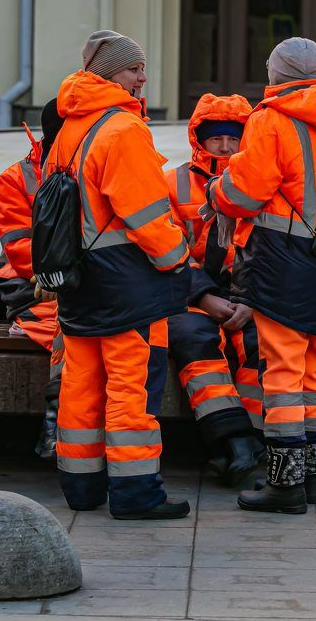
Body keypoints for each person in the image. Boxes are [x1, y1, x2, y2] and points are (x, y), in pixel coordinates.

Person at [206, 37, 316, 513]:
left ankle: (284, 485)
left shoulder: (271, 119)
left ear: (276, 73)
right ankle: (313, 479)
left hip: (283, 258)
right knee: (314, 369)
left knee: (281, 369)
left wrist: (218, 190)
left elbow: (247, 190)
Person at [46, 30, 192, 520]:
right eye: (134, 69)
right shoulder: (123, 131)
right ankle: (135, 493)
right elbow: (147, 214)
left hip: (77, 281)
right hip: (127, 281)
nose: (142, 77)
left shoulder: (70, 128)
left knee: (80, 383)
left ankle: (81, 487)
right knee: (130, 387)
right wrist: (178, 259)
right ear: (110, 73)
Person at [164, 93, 265, 486]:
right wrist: (204, 296)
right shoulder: (170, 183)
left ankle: (251, 443)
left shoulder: (263, 183)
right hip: (188, 295)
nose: (224, 147)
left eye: (233, 138)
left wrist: (250, 301)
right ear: (197, 140)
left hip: (246, 296)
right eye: (215, 138)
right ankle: (233, 440)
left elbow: (269, 250)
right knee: (195, 339)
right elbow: (165, 251)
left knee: (259, 345)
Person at [0, 99, 66, 458]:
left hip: (73, 283)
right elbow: (17, 244)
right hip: (33, 286)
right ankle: (54, 427)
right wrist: (52, 278)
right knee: (69, 328)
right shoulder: (17, 176)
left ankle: (58, 429)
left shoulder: (90, 164)